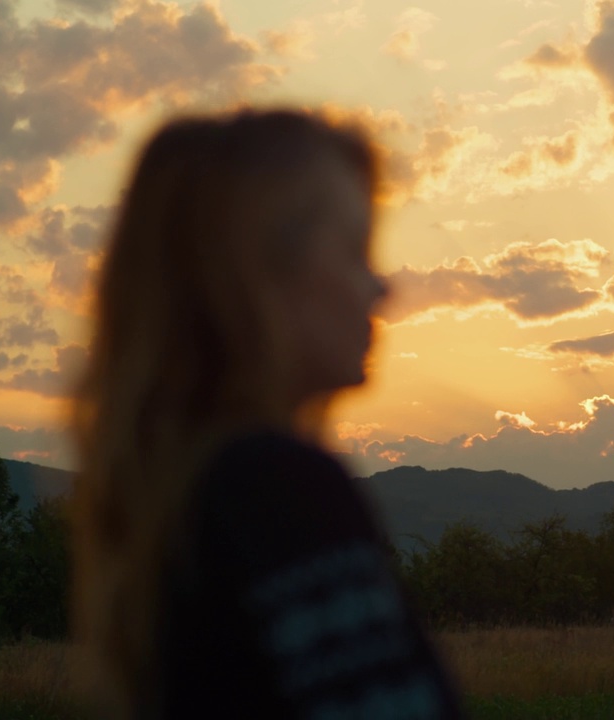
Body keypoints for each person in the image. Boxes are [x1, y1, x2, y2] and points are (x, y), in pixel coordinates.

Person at [70, 110, 463, 719]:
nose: (381, 289)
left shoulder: (175, 493)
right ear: (261, 276)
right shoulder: (278, 486)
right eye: (355, 251)